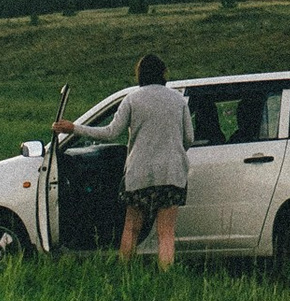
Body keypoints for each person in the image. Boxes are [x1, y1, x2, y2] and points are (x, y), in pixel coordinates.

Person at [54, 53, 190, 268]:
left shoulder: (132, 100)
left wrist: (74, 128)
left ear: (140, 74)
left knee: (131, 228)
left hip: (139, 174)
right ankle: (167, 275)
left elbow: (110, 133)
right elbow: (188, 138)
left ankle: (125, 272)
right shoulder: (178, 100)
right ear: (163, 73)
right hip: (172, 174)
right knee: (166, 233)